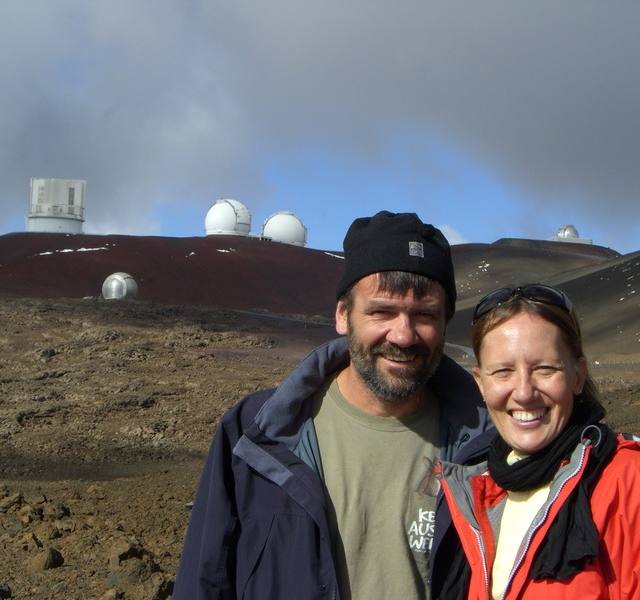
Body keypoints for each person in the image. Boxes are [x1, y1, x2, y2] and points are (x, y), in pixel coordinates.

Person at [174, 211, 493, 599]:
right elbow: (205, 582)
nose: (404, 335)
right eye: (382, 311)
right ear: (343, 314)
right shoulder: (253, 435)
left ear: (445, 323)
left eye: (424, 315)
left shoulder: (486, 450)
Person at [430, 284, 640, 599]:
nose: (523, 392)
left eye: (545, 369)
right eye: (503, 372)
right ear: (480, 382)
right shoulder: (476, 487)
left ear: (577, 375)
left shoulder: (638, 485)